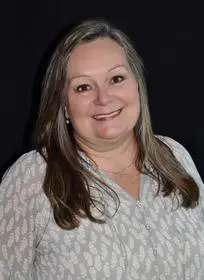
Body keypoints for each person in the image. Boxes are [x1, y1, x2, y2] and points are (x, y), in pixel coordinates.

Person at [0, 18, 203, 280]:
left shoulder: (175, 157)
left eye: (116, 78)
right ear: (63, 104)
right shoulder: (32, 178)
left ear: (137, 85)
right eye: (83, 87)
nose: (103, 98)